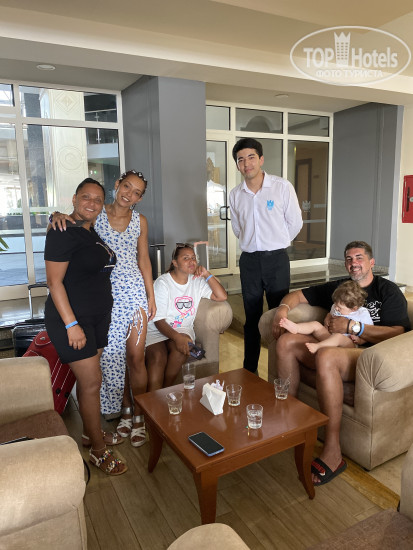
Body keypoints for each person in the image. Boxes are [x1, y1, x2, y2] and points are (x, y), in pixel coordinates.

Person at [272, 241, 411, 486]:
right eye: (348, 258)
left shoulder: (387, 291)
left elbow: (398, 332)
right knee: (286, 342)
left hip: (366, 355)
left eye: (359, 257)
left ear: (371, 262)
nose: (353, 263)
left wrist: (353, 327)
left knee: (326, 355)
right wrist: (281, 311)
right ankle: (287, 420)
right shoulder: (339, 287)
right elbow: (297, 295)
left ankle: (333, 452)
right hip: (332, 344)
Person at [50, 170, 155, 448]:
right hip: (106, 295)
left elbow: (143, 259)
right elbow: (72, 223)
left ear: (140, 198)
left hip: (134, 294)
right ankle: (124, 410)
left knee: (136, 357)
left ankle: (139, 415)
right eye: (126, 187)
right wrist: (55, 215)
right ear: (117, 185)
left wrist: (150, 295)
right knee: (114, 358)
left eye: (137, 192)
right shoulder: (96, 214)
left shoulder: (140, 221)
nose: (129, 194)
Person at [45, 178, 127, 475]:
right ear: (74, 198)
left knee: (89, 382)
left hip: (96, 319)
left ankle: (89, 433)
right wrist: (72, 325)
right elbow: (54, 283)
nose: (91, 203)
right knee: (92, 383)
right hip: (72, 321)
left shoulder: (90, 232)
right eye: (85, 197)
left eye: (97, 199)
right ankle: (98, 450)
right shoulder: (62, 230)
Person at [229, 137, 302, 374]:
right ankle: (250, 372)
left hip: (276, 260)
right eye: (241, 159)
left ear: (261, 159)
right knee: (251, 318)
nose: (246, 163)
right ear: (237, 165)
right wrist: (255, 243)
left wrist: (276, 241)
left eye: (251, 157)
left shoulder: (282, 187)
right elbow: (238, 228)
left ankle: (278, 372)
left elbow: (295, 223)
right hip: (249, 261)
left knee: (278, 316)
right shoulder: (235, 194)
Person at [145, 243, 227, 390]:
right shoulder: (163, 283)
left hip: (182, 328)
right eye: (186, 258)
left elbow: (222, 296)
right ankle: (152, 399)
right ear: (175, 263)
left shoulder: (197, 281)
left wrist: (206, 274)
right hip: (157, 330)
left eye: (193, 258)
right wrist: (176, 337)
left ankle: (165, 390)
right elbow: (158, 320)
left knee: (182, 348)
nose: (192, 261)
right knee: (157, 357)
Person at [279, 280, 373, 354]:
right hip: (329, 338)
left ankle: (318, 346)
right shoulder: (335, 307)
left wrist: (360, 340)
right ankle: (296, 328)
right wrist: (327, 318)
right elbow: (330, 315)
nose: (336, 308)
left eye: (339, 307)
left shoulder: (362, 314)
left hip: (347, 345)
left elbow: (369, 333)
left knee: (338, 337)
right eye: (335, 304)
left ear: (354, 308)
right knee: (316, 324)